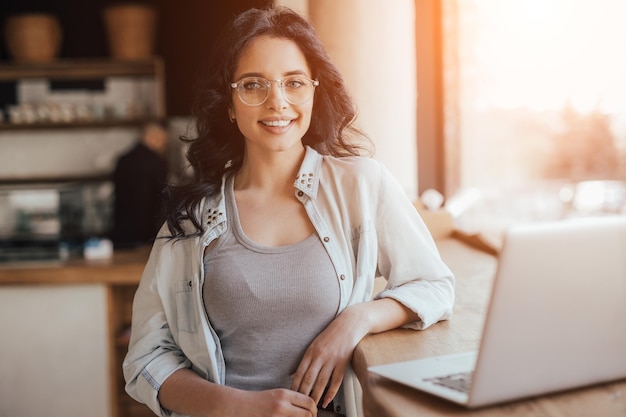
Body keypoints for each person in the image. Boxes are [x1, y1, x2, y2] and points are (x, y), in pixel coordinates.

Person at [123, 6, 454, 417]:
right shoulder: (192, 218)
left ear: (314, 91)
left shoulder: (362, 184)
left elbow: (435, 285)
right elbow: (146, 358)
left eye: (294, 83)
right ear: (229, 104)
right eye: (253, 85)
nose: (277, 102)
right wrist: (240, 407)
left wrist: (357, 319)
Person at [111, 121, 168, 248]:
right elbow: (162, 196)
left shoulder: (123, 159)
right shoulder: (156, 162)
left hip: (122, 228)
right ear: (153, 138)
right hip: (147, 229)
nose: (163, 146)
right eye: (162, 141)